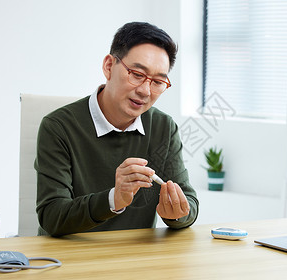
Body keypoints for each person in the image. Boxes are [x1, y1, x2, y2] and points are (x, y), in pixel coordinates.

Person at [34, 22, 199, 236]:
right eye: (137, 74)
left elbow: (190, 203)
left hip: (134, 260)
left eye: (158, 81)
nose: (145, 91)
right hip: (69, 258)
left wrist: (176, 214)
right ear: (109, 66)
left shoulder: (163, 127)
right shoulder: (58, 127)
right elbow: (51, 216)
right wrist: (114, 199)